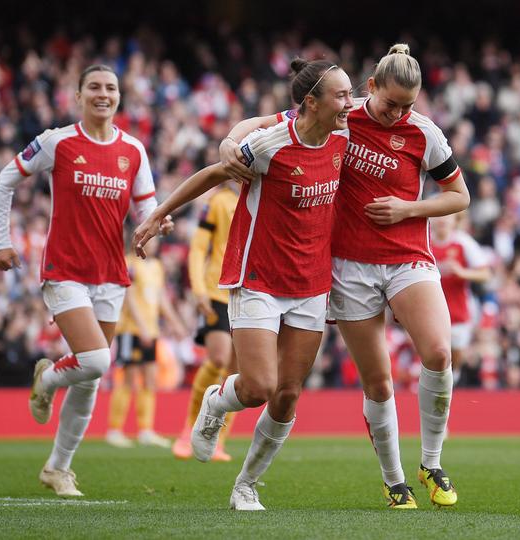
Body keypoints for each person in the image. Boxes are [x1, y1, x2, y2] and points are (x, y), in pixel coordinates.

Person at [221, 44, 470, 508]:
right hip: (349, 268)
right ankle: (395, 482)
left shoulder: (424, 133)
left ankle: (431, 462)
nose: (398, 113)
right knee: (378, 382)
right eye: (391, 102)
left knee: (438, 351)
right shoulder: (340, 114)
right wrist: (228, 142)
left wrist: (408, 209)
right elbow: (263, 125)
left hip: (407, 257)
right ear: (370, 87)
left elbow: (459, 196)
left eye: (408, 106)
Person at [134, 58, 353, 511]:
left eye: (353, 94)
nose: (351, 104)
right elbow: (213, 175)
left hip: (311, 283)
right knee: (257, 387)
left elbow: (390, 108)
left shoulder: (347, 132)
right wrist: (157, 214)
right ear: (311, 103)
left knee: (288, 395)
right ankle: (215, 404)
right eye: (342, 96)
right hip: (259, 278)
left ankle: (246, 485)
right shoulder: (271, 144)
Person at [0, 64, 173, 497]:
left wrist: (154, 226)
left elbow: (145, 209)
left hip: (110, 273)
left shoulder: (134, 150)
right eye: (94, 87)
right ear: (78, 95)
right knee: (95, 361)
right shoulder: (58, 142)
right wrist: (2, 241)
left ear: (119, 97)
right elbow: (5, 179)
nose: (103, 94)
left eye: (110, 88)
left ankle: (58, 468)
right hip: (65, 270)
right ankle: (47, 379)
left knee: (91, 377)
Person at [172, 184, 240, 462]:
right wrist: (198, 289)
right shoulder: (218, 201)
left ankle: (218, 438)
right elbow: (199, 248)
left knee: (238, 373)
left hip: (251, 292)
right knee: (218, 359)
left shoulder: (265, 194)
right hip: (217, 290)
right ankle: (189, 430)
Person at [105, 237, 187, 449]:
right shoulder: (129, 263)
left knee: (150, 380)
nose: (153, 242)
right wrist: (141, 326)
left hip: (151, 330)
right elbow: (128, 296)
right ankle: (114, 430)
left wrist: (176, 323)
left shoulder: (157, 266)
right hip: (131, 330)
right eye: (148, 238)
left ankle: (146, 430)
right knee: (129, 379)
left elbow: (161, 298)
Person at [430, 212, 491, 384]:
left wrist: (461, 272)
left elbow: (485, 274)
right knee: (435, 354)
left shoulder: (463, 242)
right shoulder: (423, 241)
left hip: (458, 311)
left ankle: (452, 381)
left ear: (455, 220)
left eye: (446, 216)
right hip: (430, 311)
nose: (442, 219)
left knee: (455, 355)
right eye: (438, 215)